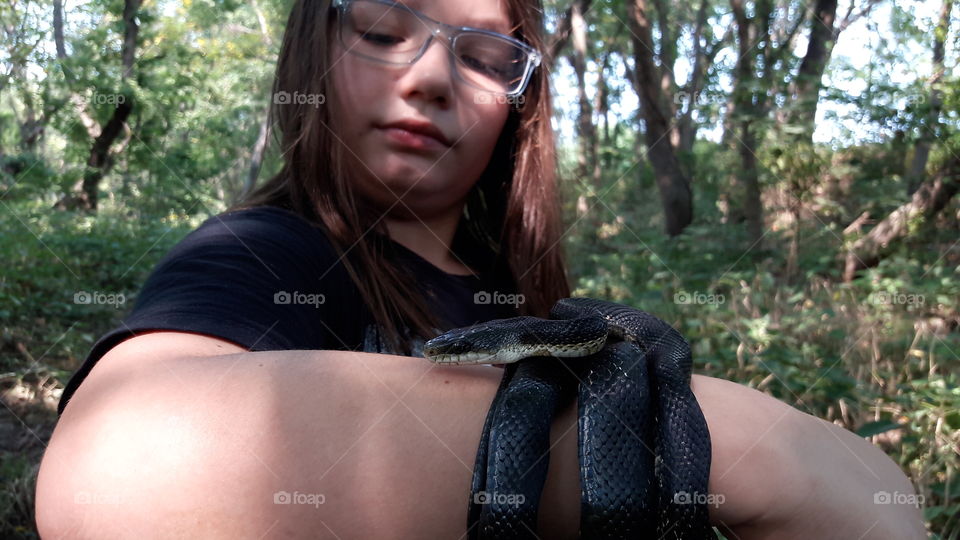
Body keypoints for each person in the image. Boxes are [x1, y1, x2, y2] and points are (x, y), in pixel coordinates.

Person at [35, 0, 925, 538]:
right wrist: (722, 443)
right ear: (314, 49)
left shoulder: (529, 296)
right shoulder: (270, 252)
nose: (428, 77)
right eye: (384, 29)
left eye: (485, 56)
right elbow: (115, 464)